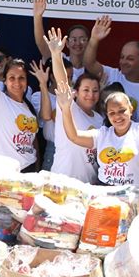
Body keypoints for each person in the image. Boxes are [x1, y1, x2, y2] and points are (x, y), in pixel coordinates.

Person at [55, 80, 139, 191]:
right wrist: (66, 108)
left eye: (122, 111)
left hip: (136, 197)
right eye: (112, 113)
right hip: (105, 195)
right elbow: (74, 137)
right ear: (107, 115)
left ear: (131, 109)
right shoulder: (102, 134)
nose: (117, 116)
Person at [0, 29, 45, 170]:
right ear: (4, 81)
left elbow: (33, 140)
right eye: (12, 78)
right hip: (2, 171)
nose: (17, 83)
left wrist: (37, 165)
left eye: (21, 78)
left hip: (28, 168)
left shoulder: (29, 107)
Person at [46, 30, 103, 182]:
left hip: (88, 185)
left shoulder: (99, 119)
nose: (91, 95)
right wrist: (56, 54)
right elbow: (62, 80)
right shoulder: (68, 105)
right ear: (75, 92)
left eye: (95, 91)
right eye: (86, 90)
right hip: (61, 182)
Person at [83, 15, 139, 119]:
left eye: (130, 58)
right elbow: (89, 63)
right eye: (122, 57)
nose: (123, 62)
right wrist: (94, 39)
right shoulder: (113, 75)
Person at [32, 0, 88, 82]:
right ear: (67, 43)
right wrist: (37, 17)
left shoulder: (91, 68)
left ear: (88, 43)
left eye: (82, 39)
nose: (78, 43)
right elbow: (41, 44)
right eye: (74, 39)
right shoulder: (59, 58)